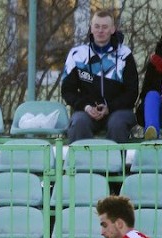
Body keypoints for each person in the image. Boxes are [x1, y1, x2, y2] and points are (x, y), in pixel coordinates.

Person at [61, 9, 139, 143]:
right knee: (78, 122)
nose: (100, 31)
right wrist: (86, 106)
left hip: (118, 111)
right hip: (86, 111)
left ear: (113, 29)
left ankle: (114, 164)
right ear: (91, 28)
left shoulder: (125, 55)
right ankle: (82, 164)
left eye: (105, 27)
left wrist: (110, 107)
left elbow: (132, 92)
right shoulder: (77, 55)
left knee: (117, 124)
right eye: (96, 26)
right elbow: (67, 90)